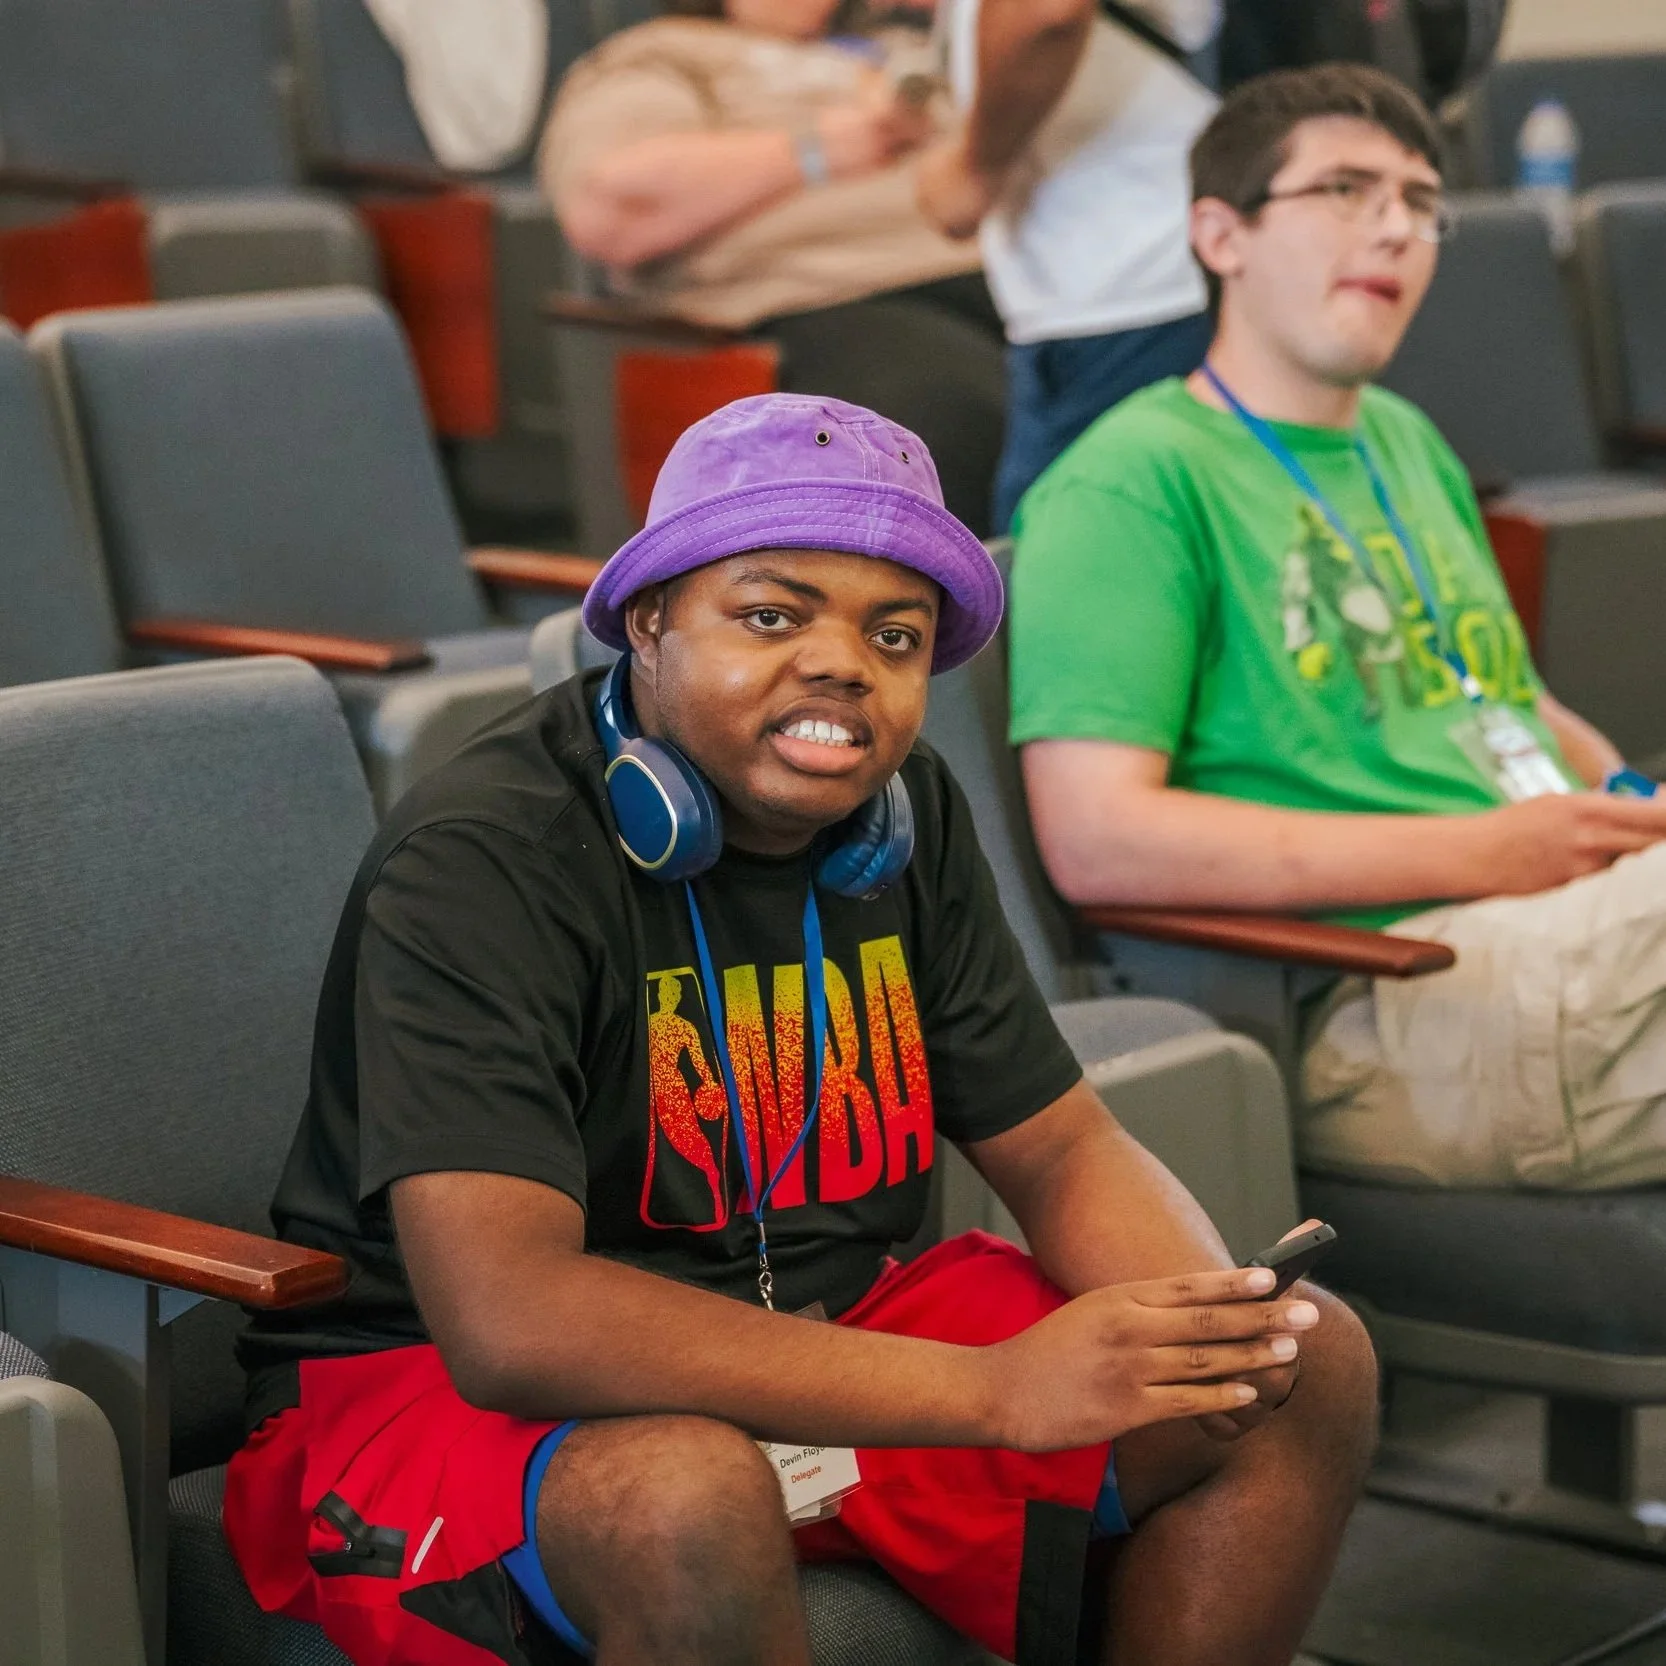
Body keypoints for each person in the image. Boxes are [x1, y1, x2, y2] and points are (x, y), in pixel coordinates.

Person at [223, 392, 1376, 1666]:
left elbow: (1059, 1147)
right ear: (649, 620)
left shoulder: (902, 813)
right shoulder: (485, 855)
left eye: (895, 634)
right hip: (438, 1391)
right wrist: (999, 1391)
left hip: (832, 1330)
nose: (841, 663)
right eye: (771, 615)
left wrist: (1192, 1331)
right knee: (686, 1498)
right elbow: (511, 1320)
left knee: (1298, 1367)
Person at [1008, 63, 1666, 1193]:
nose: (1395, 229)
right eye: (1346, 191)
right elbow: (1094, 834)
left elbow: (1495, 697)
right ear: (1220, 234)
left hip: (1559, 935)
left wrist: (1628, 807)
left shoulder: (1402, 437)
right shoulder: (1126, 481)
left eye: (1418, 201)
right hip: (1383, 997)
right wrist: (1482, 852)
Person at [540, 0, 1008, 533]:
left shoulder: (904, 46)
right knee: (962, 417)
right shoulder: (664, 55)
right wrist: (818, 149)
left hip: (998, 274)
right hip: (832, 300)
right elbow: (613, 207)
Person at [917, 0, 1221, 531]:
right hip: (1155, 272)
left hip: (1136, 285)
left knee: (1063, 569)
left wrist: (975, 167)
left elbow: (1045, 11)